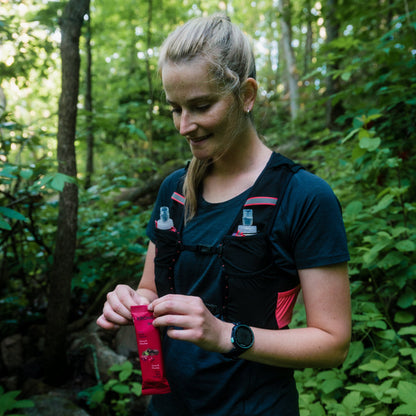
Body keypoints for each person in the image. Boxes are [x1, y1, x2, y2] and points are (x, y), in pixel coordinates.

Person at [97, 13, 351, 416]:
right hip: (166, 406)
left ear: (246, 95)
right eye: (174, 108)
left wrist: (225, 334)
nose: (184, 125)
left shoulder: (303, 197)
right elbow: (150, 289)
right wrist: (130, 302)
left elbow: (332, 343)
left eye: (200, 106)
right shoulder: (174, 191)